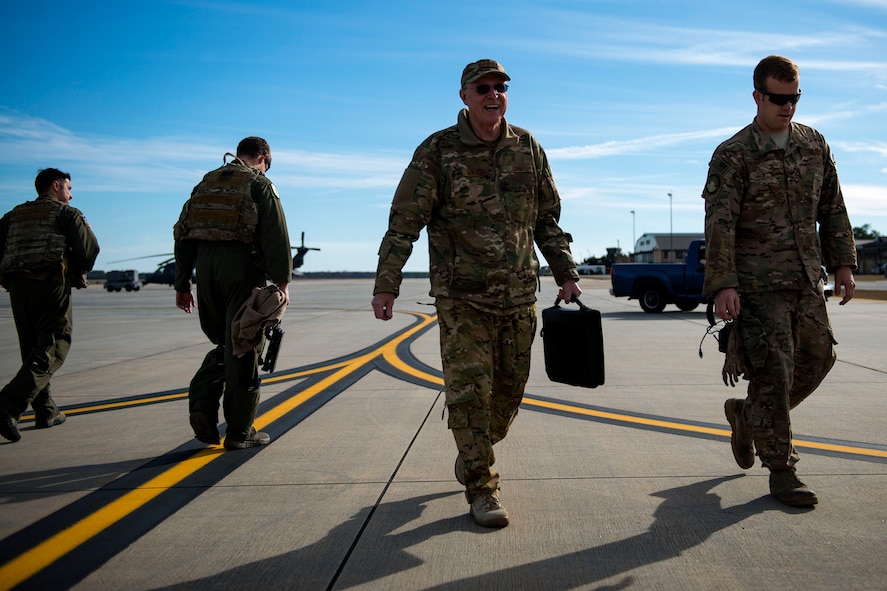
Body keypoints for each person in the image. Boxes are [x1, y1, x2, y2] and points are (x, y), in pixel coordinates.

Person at [371, 59, 581, 527]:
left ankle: (472, 453)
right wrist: (387, 282)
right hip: (461, 298)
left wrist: (565, 272)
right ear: (463, 96)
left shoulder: (528, 147)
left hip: (520, 296)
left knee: (506, 396)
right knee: (469, 396)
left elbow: (547, 219)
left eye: (501, 87)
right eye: (483, 88)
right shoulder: (438, 151)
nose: (493, 95)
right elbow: (404, 222)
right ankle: (482, 487)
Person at [702, 55, 857, 507]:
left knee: (818, 358)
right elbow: (720, 224)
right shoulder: (734, 154)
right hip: (756, 284)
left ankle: (747, 415)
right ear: (757, 97)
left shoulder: (813, 144)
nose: (787, 107)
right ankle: (782, 470)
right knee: (775, 371)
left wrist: (843, 262)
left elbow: (833, 208)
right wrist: (723, 283)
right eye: (778, 99)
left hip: (807, 278)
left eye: (794, 98)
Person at [174, 136, 292, 450]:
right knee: (244, 346)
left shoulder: (205, 185)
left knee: (227, 342)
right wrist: (282, 283)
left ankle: (202, 402)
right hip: (241, 270)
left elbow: (182, 234)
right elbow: (276, 235)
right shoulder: (259, 185)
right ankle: (240, 431)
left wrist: (183, 283)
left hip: (206, 270)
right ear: (264, 156)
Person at [0, 168, 100, 443]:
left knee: (33, 348)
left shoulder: (12, 216)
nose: (71, 193)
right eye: (68, 188)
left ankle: (45, 410)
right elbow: (88, 251)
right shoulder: (66, 213)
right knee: (54, 346)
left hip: (18, 287)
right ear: (55, 186)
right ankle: (8, 405)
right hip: (50, 283)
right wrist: (73, 273)